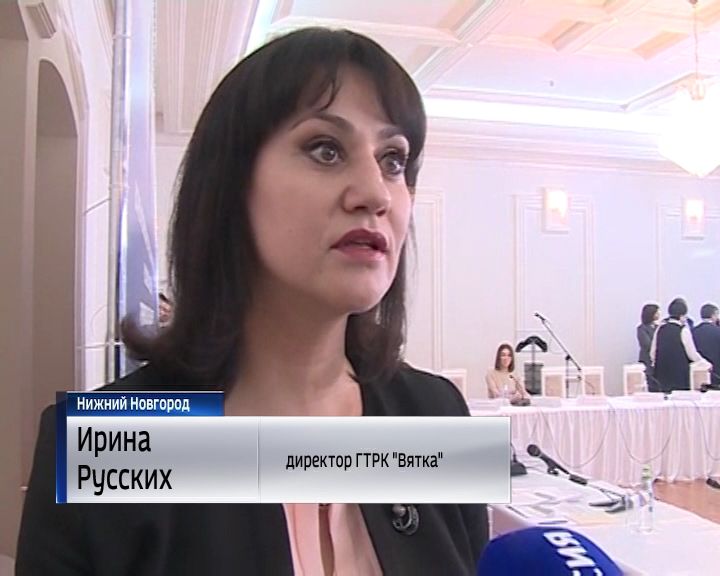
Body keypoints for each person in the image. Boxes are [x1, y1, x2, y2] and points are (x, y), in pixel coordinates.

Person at [16, 28, 488, 575]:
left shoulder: (437, 415)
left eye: (393, 160)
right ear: (231, 185)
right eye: (326, 149)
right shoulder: (108, 443)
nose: (376, 194)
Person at [650, 298, 705, 393]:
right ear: (682, 316)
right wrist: (704, 362)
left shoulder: (660, 329)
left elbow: (652, 352)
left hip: (661, 373)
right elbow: (692, 354)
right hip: (679, 374)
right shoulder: (683, 330)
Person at [692, 303, 720, 388]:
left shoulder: (693, 331)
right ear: (713, 315)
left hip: (698, 372)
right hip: (717, 372)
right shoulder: (717, 331)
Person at [636, 303, 660, 386]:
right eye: (656, 312)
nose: (658, 314)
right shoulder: (642, 328)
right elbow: (646, 344)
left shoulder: (658, 327)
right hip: (647, 360)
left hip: (658, 361)